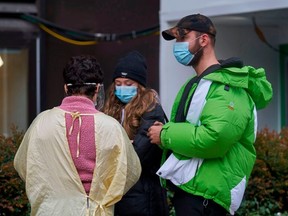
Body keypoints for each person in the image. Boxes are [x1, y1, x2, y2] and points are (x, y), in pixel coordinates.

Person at [147, 14, 273, 216]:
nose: (177, 46)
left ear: (203, 40)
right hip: (194, 192)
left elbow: (214, 138)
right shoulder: (202, 83)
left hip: (206, 198)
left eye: (182, 38)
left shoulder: (228, 87)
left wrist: (165, 135)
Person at [14, 55, 141, 216]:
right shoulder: (111, 127)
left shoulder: (41, 122)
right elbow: (130, 171)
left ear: (66, 88)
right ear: (97, 89)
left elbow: (23, 165)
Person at [103, 51, 169, 216]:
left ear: (139, 86)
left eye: (128, 83)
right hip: (120, 195)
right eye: (118, 83)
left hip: (144, 196)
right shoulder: (112, 108)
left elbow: (137, 156)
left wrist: (114, 149)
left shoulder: (152, 109)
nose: (122, 88)